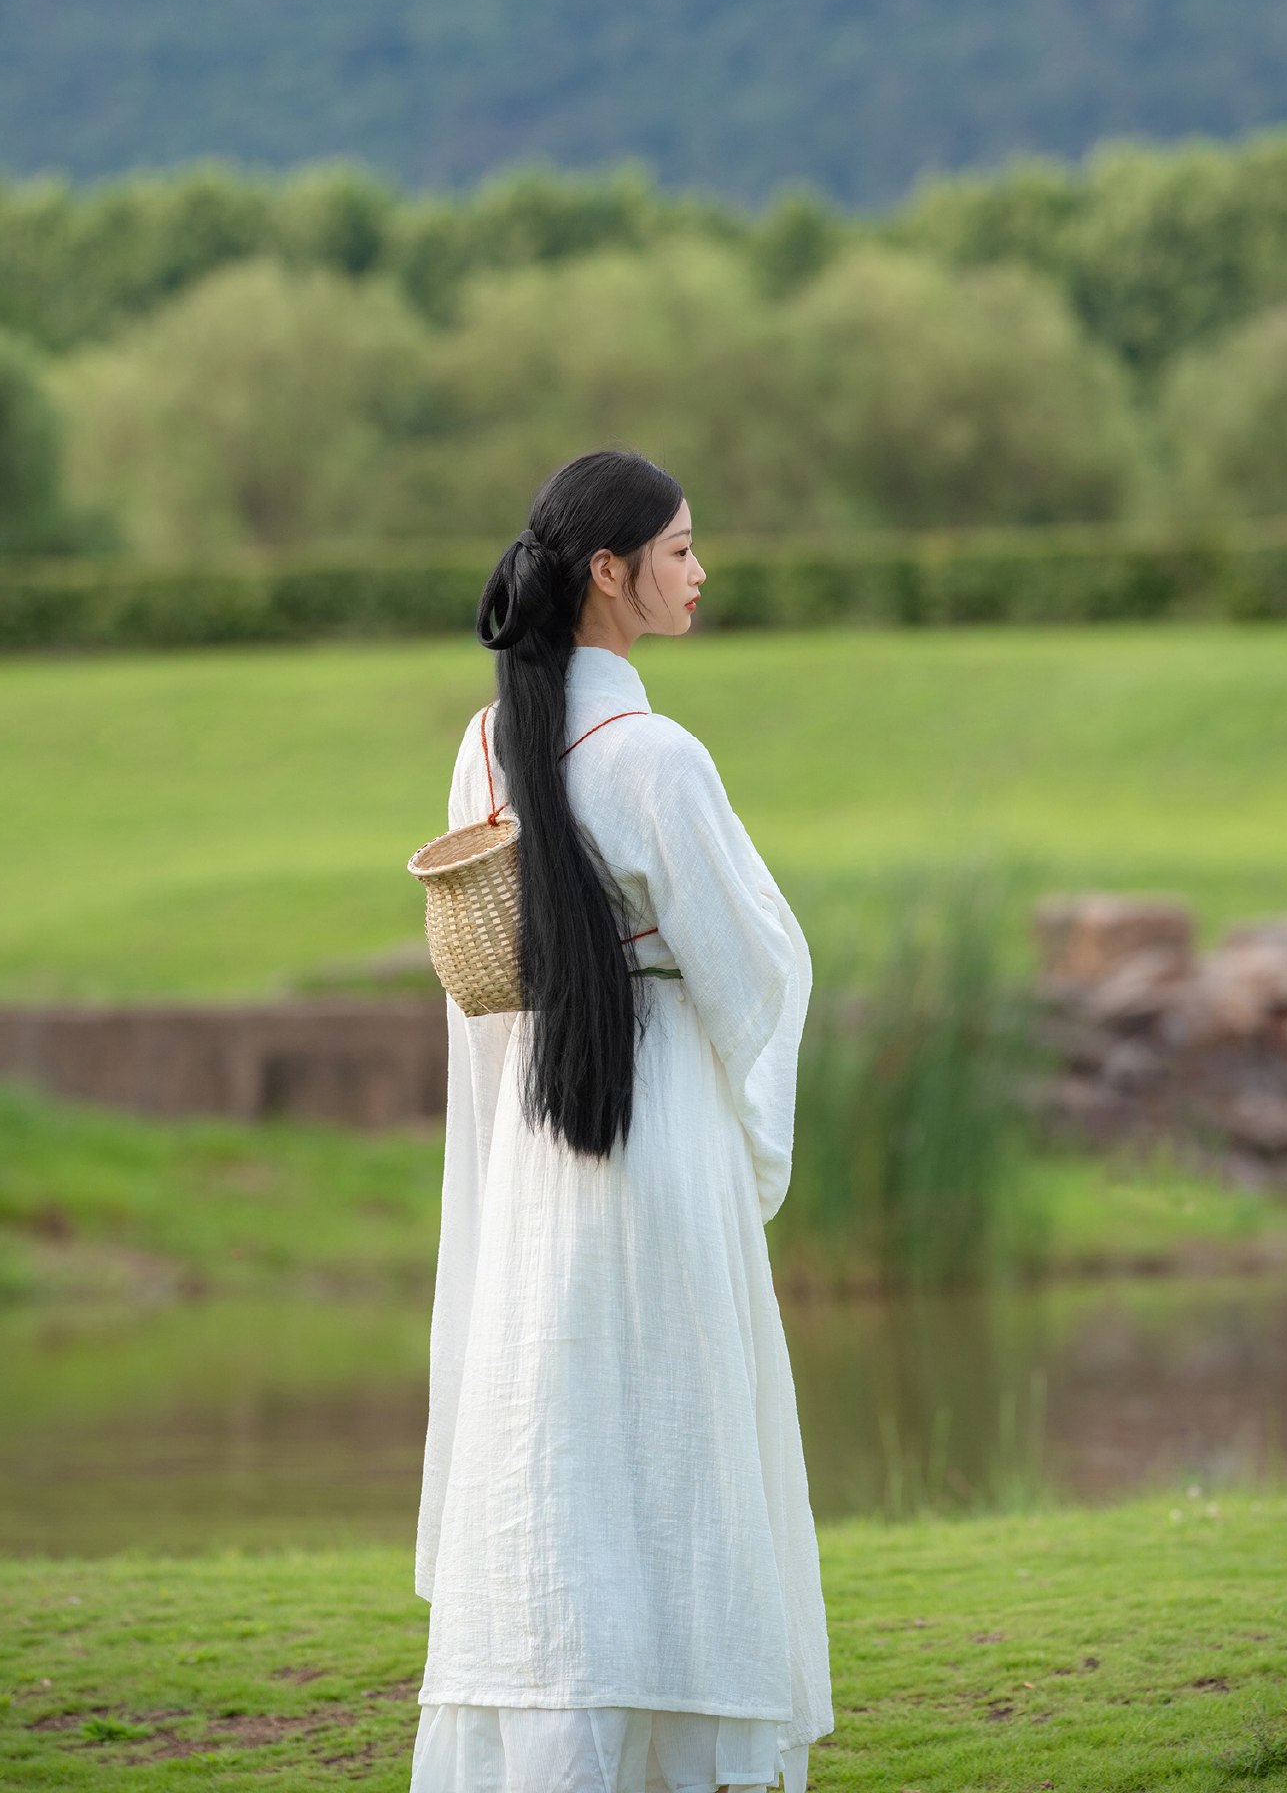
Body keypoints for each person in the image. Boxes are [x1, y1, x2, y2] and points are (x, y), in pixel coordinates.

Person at [411, 448, 833, 1793]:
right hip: (656, 1139)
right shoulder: (654, 756)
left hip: (544, 1142)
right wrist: (753, 1131)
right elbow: (753, 971)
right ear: (611, 572)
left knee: (561, 1438)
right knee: (674, 1429)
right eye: (682, 549)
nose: (701, 572)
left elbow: (491, 974)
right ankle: (675, 1742)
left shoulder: (486, 744)